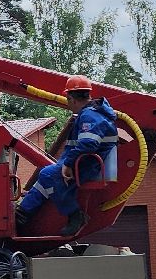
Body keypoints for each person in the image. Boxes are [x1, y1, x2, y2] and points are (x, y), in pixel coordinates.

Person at [15, 75, 119, 237]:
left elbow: (88, 144)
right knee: (46, 176)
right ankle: (22, 214)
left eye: (68, 100)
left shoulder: (89, 116)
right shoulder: (94, 114)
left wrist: (68, 163)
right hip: (84, 163)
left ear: (71, 98)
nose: (68, 105)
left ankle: (75, 215)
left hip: (87, 166)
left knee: (47, 174)